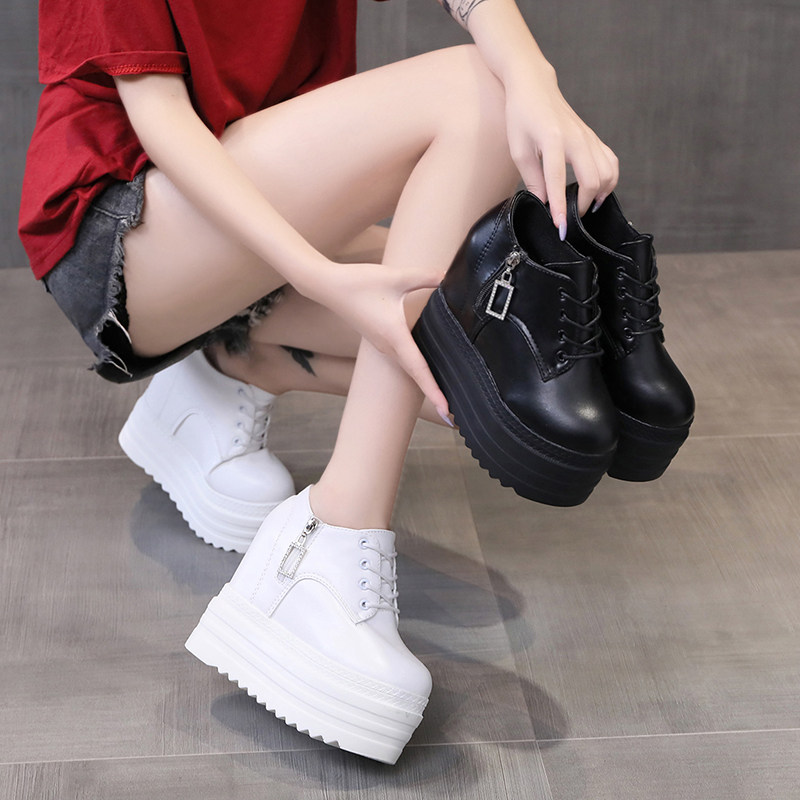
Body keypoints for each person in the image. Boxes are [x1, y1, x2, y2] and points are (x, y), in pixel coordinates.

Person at [20, 0, 618, 764]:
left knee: (504, 369)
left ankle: (235, 358)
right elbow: (160, 118)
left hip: (258, 194)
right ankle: (329, 543)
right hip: (126, 227)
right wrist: (317, 275)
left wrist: (537, 78)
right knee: (478, 90)